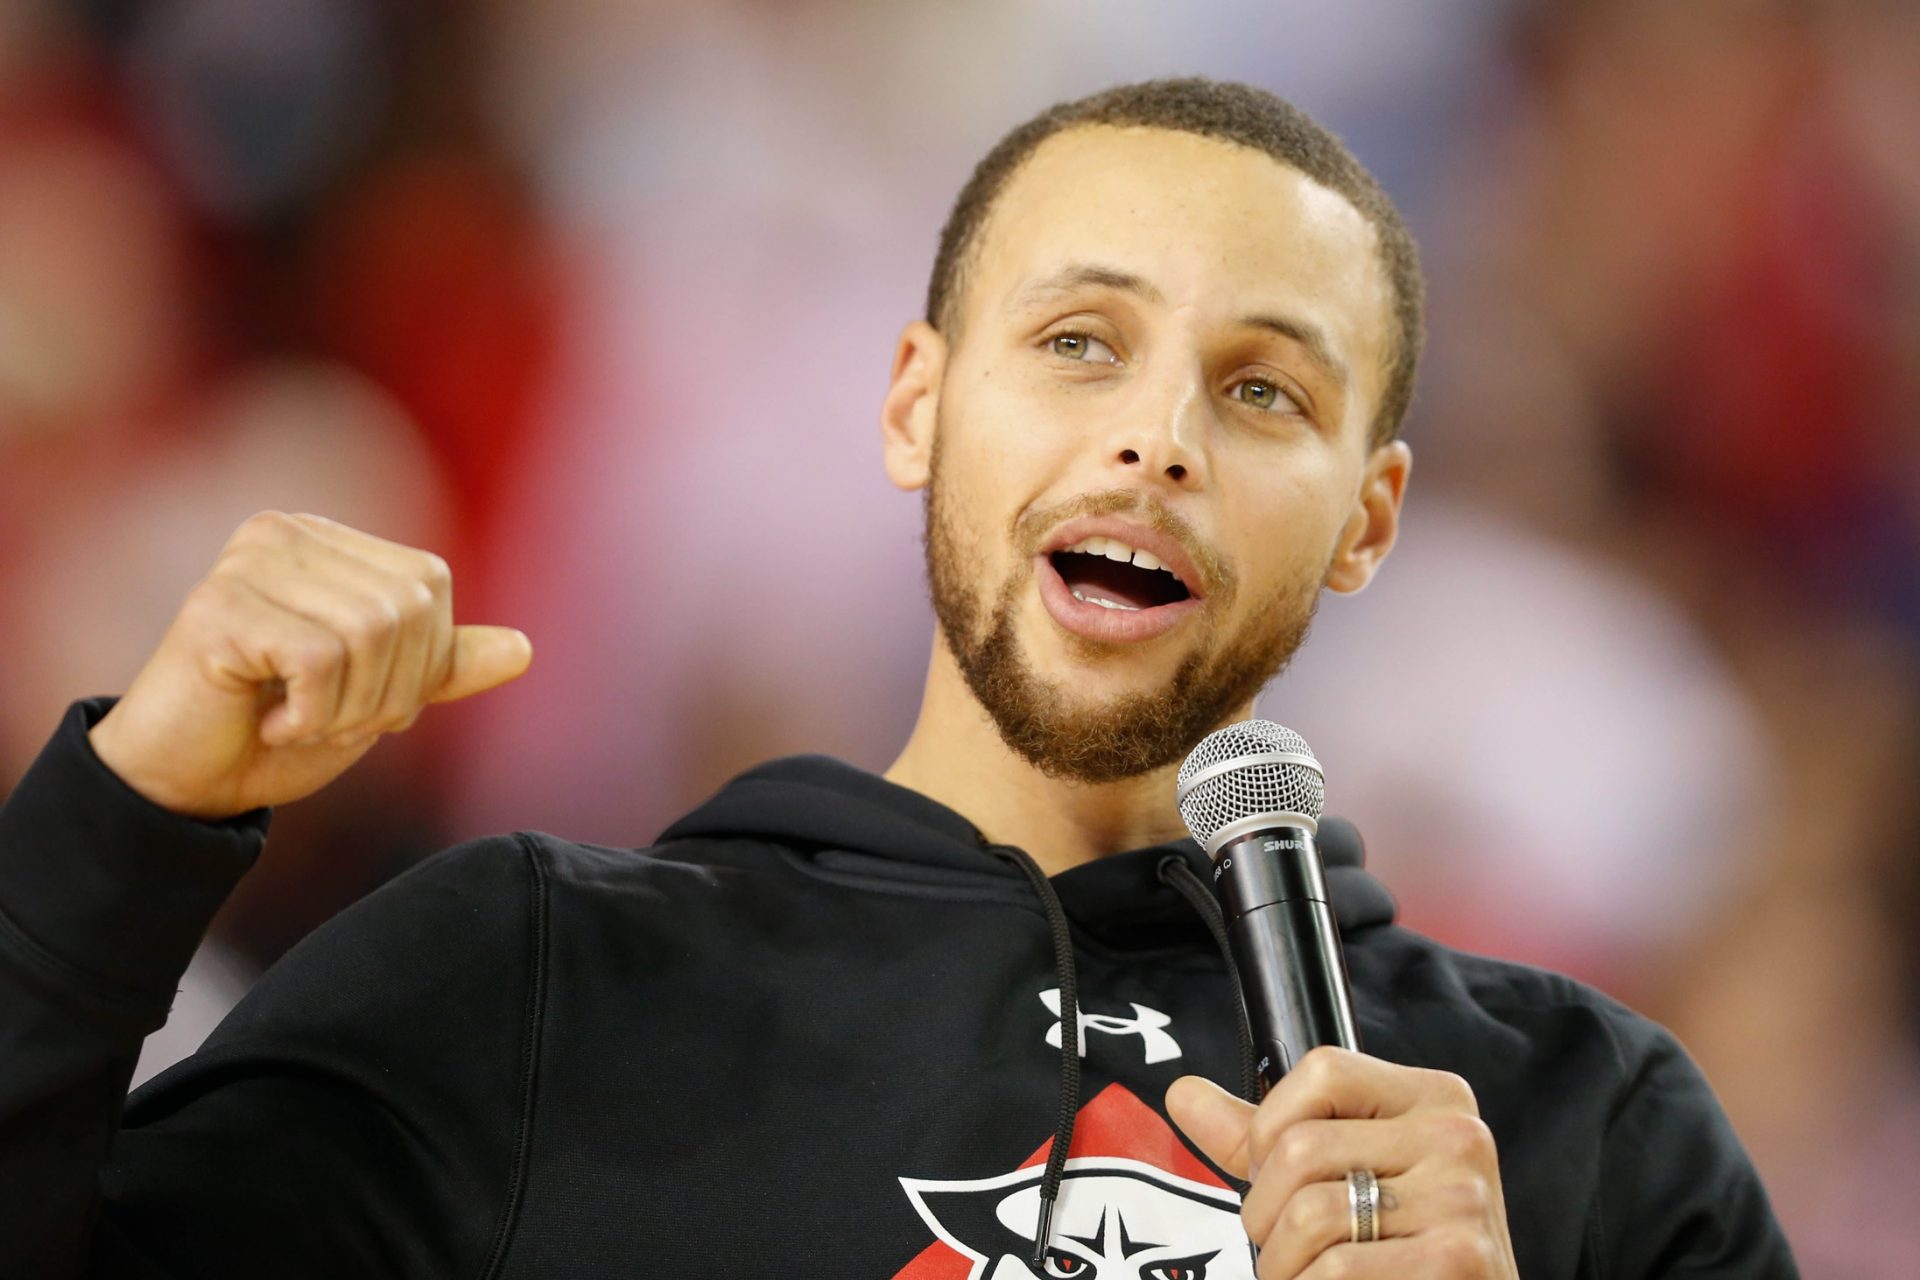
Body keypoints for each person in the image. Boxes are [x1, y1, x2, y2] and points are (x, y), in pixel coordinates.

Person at [0, 78, 1794, 1279]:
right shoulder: (537, 984)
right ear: (915, 407)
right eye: (1079, 343)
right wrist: (124, 817)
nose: (1156, 440)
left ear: (1368, 520)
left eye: (1265, 391)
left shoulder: (1583, 1129)